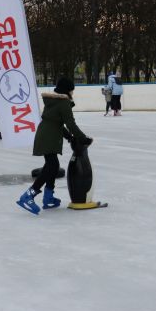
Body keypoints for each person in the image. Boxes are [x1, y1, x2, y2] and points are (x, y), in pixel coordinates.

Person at [17, 77, 91, 215]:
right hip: (49, 136)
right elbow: (70, 124)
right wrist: (83, 138)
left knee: (52, 165)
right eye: (71, 90)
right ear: (67, 90)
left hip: (45, 133)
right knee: (52, 165)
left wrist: (69, 137)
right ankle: (28, 195)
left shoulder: (53, 101)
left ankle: (48, 196)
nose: (72, 93)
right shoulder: (63, 103)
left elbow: (56, 122)